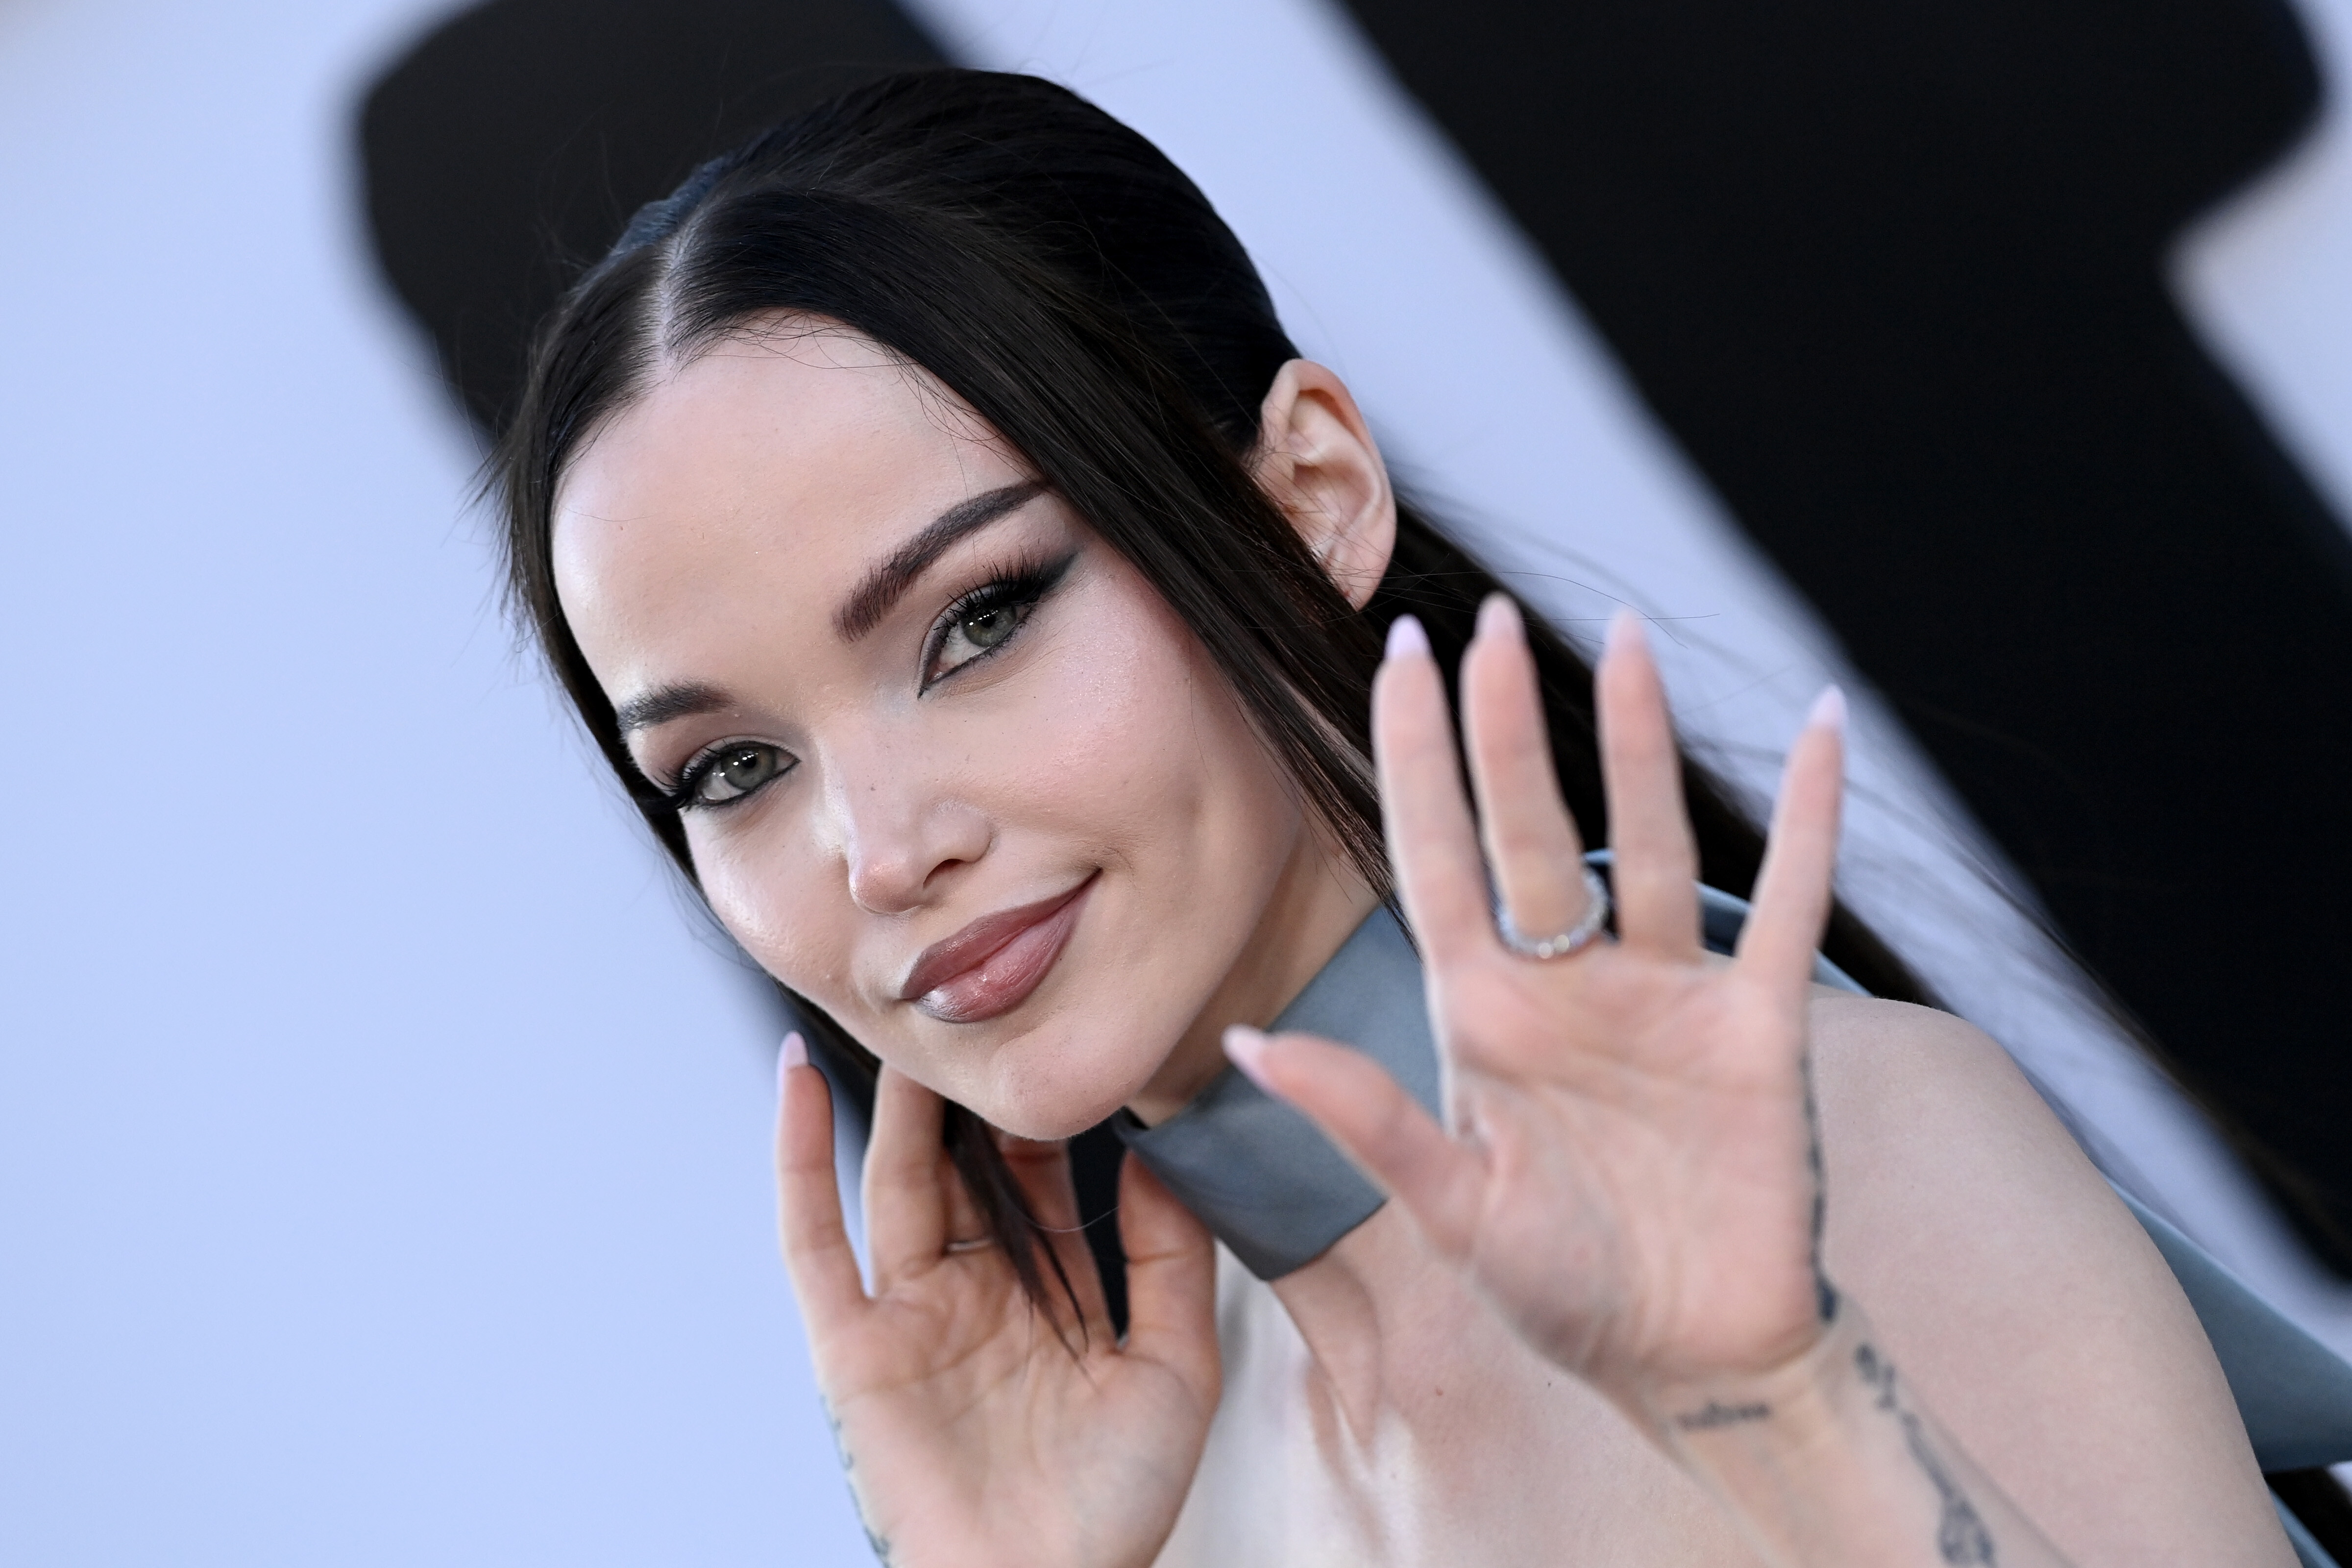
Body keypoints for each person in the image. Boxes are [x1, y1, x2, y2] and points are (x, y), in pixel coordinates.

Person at [496, 68, 2316, 1566]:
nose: (882, 853)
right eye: (733, 770)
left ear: (1311, 491)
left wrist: (1788, 1419)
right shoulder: (1110, 1491)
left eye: (978, 620)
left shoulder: (1850, 1160)